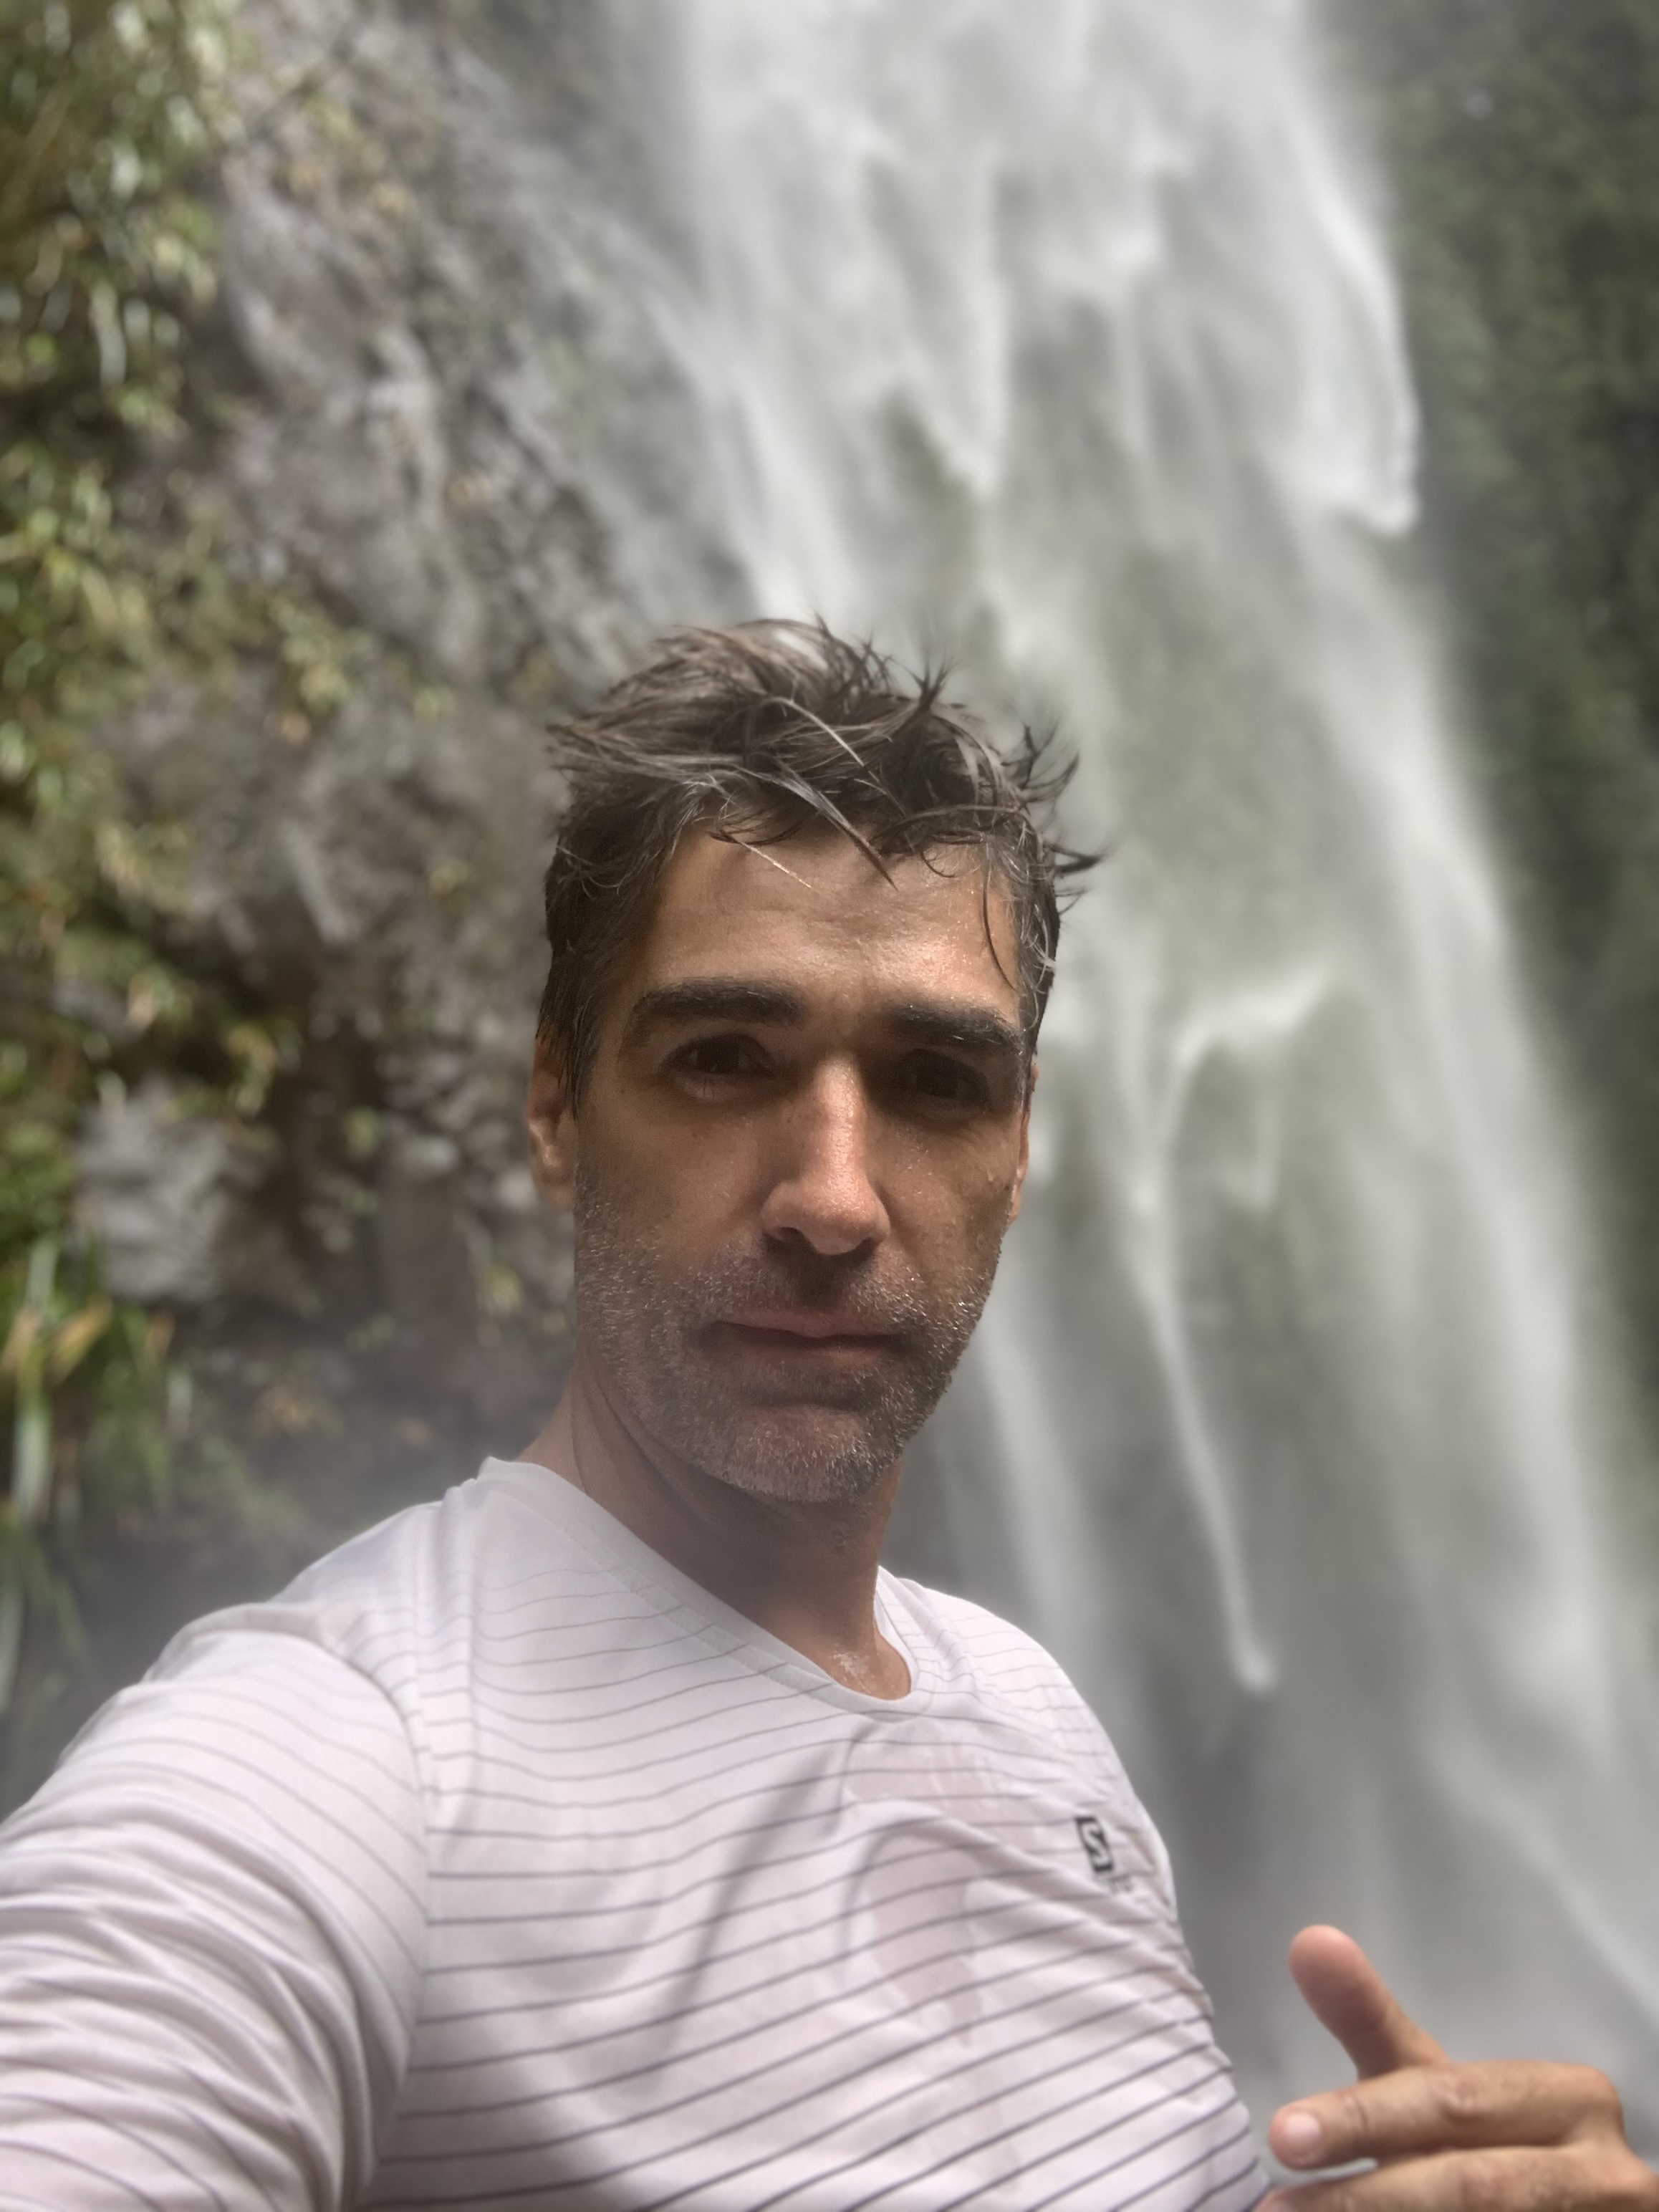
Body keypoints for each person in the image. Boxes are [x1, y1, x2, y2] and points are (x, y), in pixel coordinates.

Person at [0, 622, 1651, 2212]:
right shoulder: (344, 1751)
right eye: (725, 1057)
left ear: (1020, 1146)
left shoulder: (1027, 1704)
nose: (835, 1198)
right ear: (557, 1104)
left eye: (937, 1081)